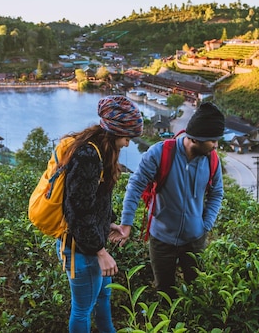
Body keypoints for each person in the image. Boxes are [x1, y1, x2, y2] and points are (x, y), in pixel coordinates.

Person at [113, 102, 225, 299]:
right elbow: (135, 186)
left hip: (195, 240)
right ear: (196, 138)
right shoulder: (160, 153)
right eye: (212, 140)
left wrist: (205, 225)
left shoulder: (212, 160)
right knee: (164, 291)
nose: (216, 145)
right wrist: (126, 223)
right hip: (162, 239)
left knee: (197, 289)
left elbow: (217, 193)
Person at [57, 95, 143, 333]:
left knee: (103, 298)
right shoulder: (87, 156)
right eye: (127, 138)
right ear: (114, 133)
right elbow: (78, 211)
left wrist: (108, 224)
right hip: (79, 247)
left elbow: (96, 200)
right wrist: (100, 251)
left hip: (91, 240)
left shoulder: (99, 152)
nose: (127, 144)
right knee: (82, 309)